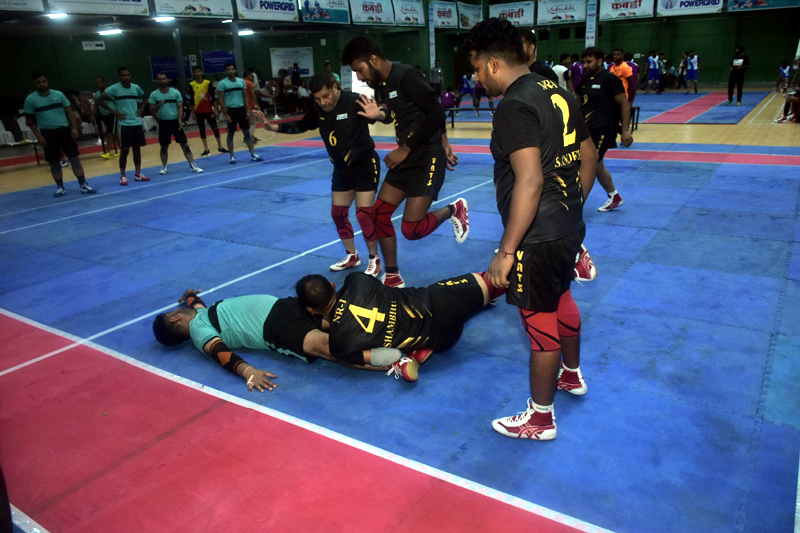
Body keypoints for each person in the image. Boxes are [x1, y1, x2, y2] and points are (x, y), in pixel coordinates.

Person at [466, 18, 597, 440]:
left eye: (475, 68)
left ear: (492, 64)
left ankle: (541, 418)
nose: (474, 77)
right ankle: (572, 376)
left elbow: (530, 180)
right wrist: (570, 210)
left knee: (539, 324)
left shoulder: (513, 105)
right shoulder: (557, 90)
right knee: (561, 297)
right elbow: (589, 156)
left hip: (537, 235)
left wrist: (505, 252)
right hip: (567, 224)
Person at [342, 37, 466, 289]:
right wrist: (382, 115)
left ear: (373, 59)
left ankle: (455, 210)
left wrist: (422, 147)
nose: (360, 76)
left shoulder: (407, 76)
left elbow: (436, 112)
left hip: (426, 156)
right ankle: (392, 274)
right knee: (379, 215)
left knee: (412, 229)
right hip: (407, 156)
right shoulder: (382, 84)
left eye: (359, 69)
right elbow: (404, 113)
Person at [256, 72, 382, 277]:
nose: (322, 102)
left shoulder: (354, 102)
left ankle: (374, 259)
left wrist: (379, 116)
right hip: (341, 169)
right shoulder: (318, 108)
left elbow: (381, 118)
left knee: (363, 214)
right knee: (338, 214)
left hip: (365, 165)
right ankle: (352, 255)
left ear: (335, 87)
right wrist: (274, 127)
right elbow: (302, 125)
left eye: (326, 96)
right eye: (317, 98)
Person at [152, 289, 384, 393]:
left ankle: (404, 340)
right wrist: (248, 371)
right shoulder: (198, 331)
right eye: (173, 311)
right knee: (329, 347)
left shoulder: (201, 314)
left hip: (284, 307)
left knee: (348, 323)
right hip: (275, 329)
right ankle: (396, 362)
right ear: (175, 318)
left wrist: (189, 294)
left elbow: (194, 301)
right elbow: (220, 353)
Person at [295, 270, 506, 381]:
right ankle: (482, 297)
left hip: (441, 340)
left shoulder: (339, 344)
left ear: (311, 310)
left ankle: (413, 350)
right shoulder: (356, 279)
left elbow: (388, 357)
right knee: (496, 276)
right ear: (332, 285)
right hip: (440, 302)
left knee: (377, 345)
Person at [24, 71, 97, 197]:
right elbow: (29, 121)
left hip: (64, 131)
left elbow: (69, 112)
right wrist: (38, 136)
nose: (42, 84)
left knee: (75, 159)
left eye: (44, 81)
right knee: (54, 162)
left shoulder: (59, 95)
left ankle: (83, 185)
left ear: (47, 81)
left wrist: (74, 128)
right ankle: (60, 187)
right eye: (38, 83)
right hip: (47, 134)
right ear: (35, 84)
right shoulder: (30, 100)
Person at [579, 47, 633, 213]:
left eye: (589, 61)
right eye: (584, 62)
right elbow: (579, 103)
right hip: (586, 129)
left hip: (604, 128)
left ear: (600, 61)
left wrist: (625, 130)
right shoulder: (585, 80)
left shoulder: (609, 79)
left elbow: (624, 103)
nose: (585, 65)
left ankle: (576, 204)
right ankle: (614, 196)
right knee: (597, 165)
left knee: (588, 163)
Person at [99, 67, 149, 186]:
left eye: (127, 75)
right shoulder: (114, 89)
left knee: (137, 149)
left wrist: (141, 109)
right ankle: (123, 176)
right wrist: (114, 111)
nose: (126, 77)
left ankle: (138, 173)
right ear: (120, 76)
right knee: (125, 151)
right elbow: (99, 99)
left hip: (136, 123)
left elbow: (145, 98)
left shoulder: (136, 87)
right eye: (123, 75)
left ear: (130, 75)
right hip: (124, 125)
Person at [149, 73, 203, 176]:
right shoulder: (154, 94)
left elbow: (180, 107)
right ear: (157, 81)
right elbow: (151, 109)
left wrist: (179, 120)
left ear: (167, 79)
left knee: (185, 144)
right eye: (160, 79)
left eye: (164, 79)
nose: (162, 81)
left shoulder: (175, 92)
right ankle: (164, 166)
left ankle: (192, 165)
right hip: (164, 123)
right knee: (164, 146)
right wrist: (159, 105)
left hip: (175, 122)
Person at [217, 62, 262, 164]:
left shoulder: (241, 82)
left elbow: (245, 96)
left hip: (241, 109)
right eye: (228, 69)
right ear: (225, 71)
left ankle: (253, 154)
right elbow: (221, 100)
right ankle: (232, 156)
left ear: (235, 70)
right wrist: (226, 115)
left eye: (232, 69)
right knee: (231, 133)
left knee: (247, 132)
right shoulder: (222, 83)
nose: (230, 71)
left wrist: (247, 110)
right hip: (230, 111)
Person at [189, 66, 228, 157]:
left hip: (209, 110)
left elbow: (213, 97)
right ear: (193, 74)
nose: (197, 73)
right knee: (202, 130)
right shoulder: (192, 84)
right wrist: (193, 112)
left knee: (215, 128)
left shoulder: (208, 83)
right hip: (198, 111)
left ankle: (220, 146)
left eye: (199, 71)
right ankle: (206, 149)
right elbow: (191, 100)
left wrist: (216, 109)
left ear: (201, 72)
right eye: (196, 72)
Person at [93, 76, 117, 159]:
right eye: (97, 83)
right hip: (104, 116)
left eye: (100, 82)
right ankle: (123, 149)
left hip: (112, 114)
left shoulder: (109, 91)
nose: (99, 85)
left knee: (109, 133)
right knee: (115, 133)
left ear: (104, 83)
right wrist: (94, 114)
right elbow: (96, 104)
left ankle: (107, 152)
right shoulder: (97, 94)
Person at [244, 71, 261, 143]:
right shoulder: (249, 83)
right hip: (250, 105)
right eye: (251, 76)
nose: (252, 78)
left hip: (242, 105)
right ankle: (249, 138)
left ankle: (252, 137)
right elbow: (253, 94)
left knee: (248, 123)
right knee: (253, 122)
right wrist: (257, 104)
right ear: (248, 75)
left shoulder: (240, 82)